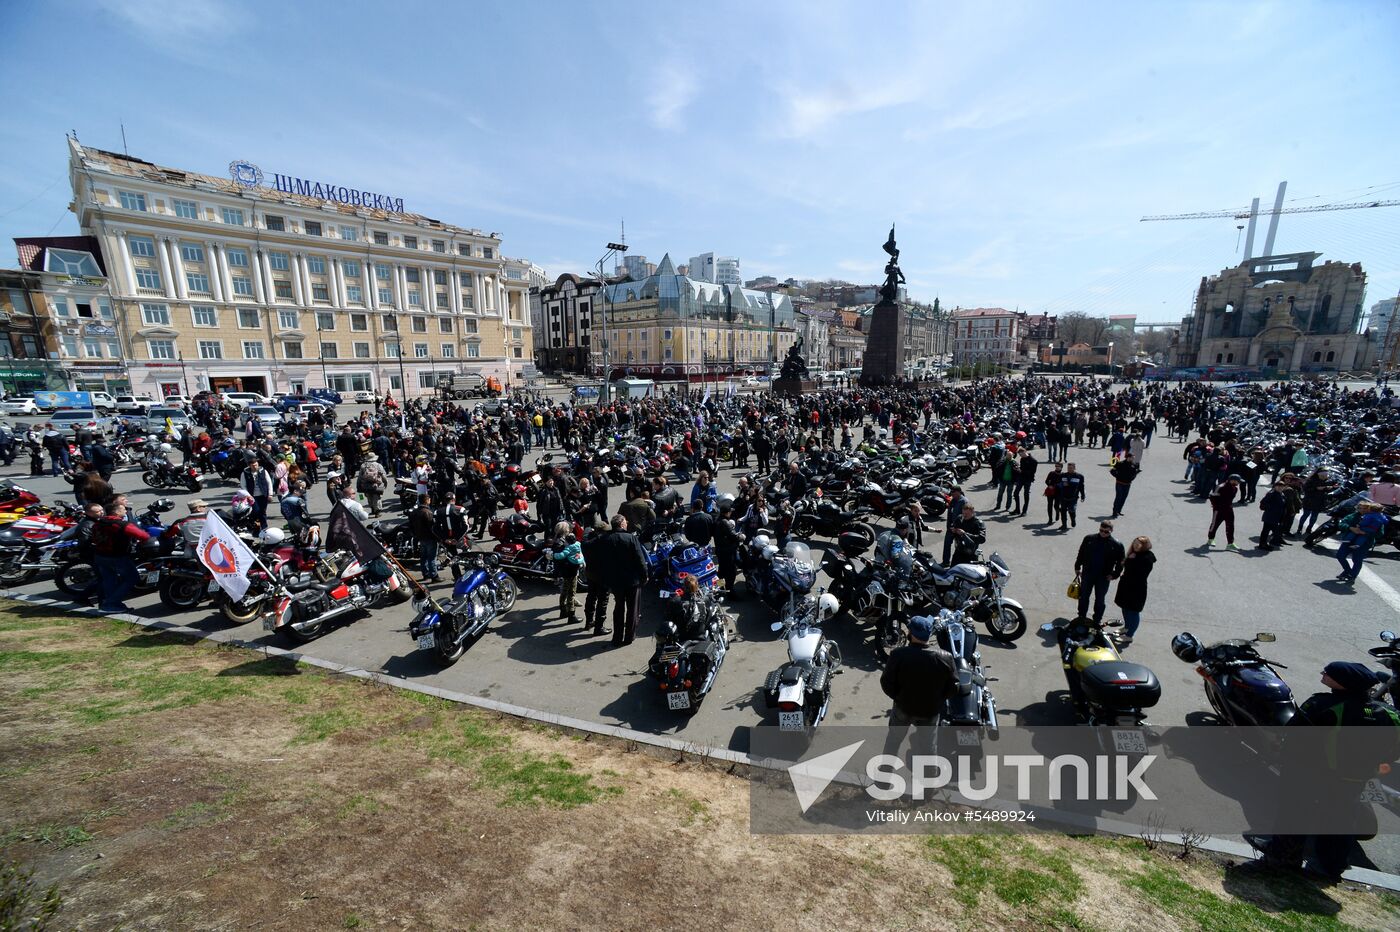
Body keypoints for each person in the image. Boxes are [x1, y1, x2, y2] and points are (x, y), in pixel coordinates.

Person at [1249, 661, 1400, 879]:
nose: (1323, 674)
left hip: (1313, 773)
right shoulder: (1388, 714)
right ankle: (1329, 868)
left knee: (1294, 816)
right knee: (1341, 822)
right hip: (1355, 778)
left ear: (1342, 683)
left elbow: (1294, 734)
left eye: (1328, 673)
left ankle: (1281, 859)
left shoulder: (1323, 704)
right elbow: (1393, 750)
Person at [879, 614, 958, 760]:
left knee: (893, 742)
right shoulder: (945, 657)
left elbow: (886, 682)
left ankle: (883, 781)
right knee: (929, 749)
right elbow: (953, 687)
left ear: (912, 634)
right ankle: (929, 781)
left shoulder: (898, 654)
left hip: (903, 708)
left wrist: (898, 697)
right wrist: (938, 700)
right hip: (930, 711)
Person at [89, 499, 152, 613]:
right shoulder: (122, 525)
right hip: (117, 556)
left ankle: (110, 604)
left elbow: (94, 538)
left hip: (100, 555)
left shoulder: (98, 523)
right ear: (116, 512)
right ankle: (111, 603)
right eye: (124, 509)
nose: (126, 511)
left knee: (109, 579)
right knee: (132, 578)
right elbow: (143, 536)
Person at [594, 514, 648, 646]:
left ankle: (617, 637)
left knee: (619, 608)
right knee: (632, 609)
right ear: (622, 524)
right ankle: (629, 636)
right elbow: (640, 560)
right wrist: (644, 576)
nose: (627, 523)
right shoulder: (630, 538)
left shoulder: (605, 539)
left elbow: (600, 560)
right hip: (632, 581)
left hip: (615, 581)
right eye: (625, 521)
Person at [1074, 520, 1125, 623]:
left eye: (1106, 532)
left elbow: (1121, 562)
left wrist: (1114, 575)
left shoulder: (1117, 545)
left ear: (1111, 531)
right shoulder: (1089, 539)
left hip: (1103, 577)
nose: (1103, 533)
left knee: (1100, 599)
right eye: (1101, 530)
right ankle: (1081, 616)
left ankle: (1097, 620)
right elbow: (1081, 553)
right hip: (1088, 573)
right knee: (1083, 596)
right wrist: (1077, 566)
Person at [1112, 536, 1154, 645]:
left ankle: (1129, 635)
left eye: (1139, 544)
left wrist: (1131, 560)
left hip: (1136, 588)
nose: (1136, 545)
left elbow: (1140, 573)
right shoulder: (1133, 554)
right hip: (1126, 585)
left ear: (1145, 546)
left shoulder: (1147, 557)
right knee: (1125, 608)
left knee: (1133, 611)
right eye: (1135, 543)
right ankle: (1126, 628)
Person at [1335, 501, 1389, 584]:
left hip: (1364, 543)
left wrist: (1366, 533)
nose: (1362, 510)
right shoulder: (1352, 516)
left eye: (1365, 508)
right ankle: (1347, 571)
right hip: (1348, 540)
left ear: (1369, 509)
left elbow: (1380, 534)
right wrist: (1351, 528)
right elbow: (1342, 524)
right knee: (1340, 556)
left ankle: (1352, 576)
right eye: (1360, 508)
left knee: (1357, 560)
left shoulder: (1376, 518)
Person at [550, 520, 583, 623]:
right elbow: (566, 557)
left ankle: (563, 611)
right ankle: (571, 615)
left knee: (564, 592)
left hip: (562, 571)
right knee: (571, 593)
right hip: (569, 571)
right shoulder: (564, 543)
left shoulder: (557, 541)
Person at [580, 520, 610, 636]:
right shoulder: (602, 543)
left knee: (591, 597)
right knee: (603, 600)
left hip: (590, 573)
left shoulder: (586, 541)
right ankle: (599, 627)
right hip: (602, 575)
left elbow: (586, 532)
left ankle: (589, 622)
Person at [410, 494, 440, 583]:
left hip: (420, 537)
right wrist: (438, 537)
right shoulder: (427, 512)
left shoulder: (414, 512)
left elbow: (411, 526)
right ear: (427, 500)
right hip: (430, 538)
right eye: (429, 499)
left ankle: (425, 574)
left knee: (424, 557)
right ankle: (434, 576)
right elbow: (432, 527)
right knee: (432, 557)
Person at [1207, 474, 1241, 550]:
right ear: (1232, 480)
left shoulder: (1235, 489)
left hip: (1229, 509)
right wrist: (1215, 506)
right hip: (1219, 510)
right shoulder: (1221, 487)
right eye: (1237, 481)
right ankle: (1210, 539)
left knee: (1230, 526)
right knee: (1214, 524)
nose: (1238, 483)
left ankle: (1230, 543)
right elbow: (1212, 496)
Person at [241, 459, 273, 532]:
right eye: (253, 465)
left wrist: (270, 494)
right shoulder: (245, 473)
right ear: (249, 466)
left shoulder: (263, 471)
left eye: (256, 465)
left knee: (263, 511)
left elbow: (269, 482)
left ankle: (264, 527)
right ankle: (253, 524)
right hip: (252, 496)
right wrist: (248, 495)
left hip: (263, 495)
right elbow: (243, 485)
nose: (255, 466)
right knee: (256, 511)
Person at [1257, 482, 1288, 551]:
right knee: (1266, 530)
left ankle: (1265, 543)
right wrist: (1271, 508)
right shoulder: (1272, 494)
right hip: (1270, 515)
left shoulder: (1281, 494)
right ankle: (1263, 544)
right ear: (1275, 487)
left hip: (1276, 516)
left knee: (1268, 530)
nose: (1280, 488)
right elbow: (1263, 503)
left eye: (1282, 486)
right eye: (1278, 486)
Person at [356, 452, 389, 517]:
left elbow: (360, 477)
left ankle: (372, 509)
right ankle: (377, 512)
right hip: (376, 484)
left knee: (369, 496)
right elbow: (383, 475)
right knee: (376, 498)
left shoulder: (363, 465)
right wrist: (385, 483)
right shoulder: (378, 465)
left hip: (366, 484)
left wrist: (358, 485)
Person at [1108, 453, 1140, 519]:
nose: (1133, 459)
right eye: (1132, 457)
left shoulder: (1133, 465)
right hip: (1119, 483)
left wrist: (1136, 474)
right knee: (1118, 497)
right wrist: (1117, 476)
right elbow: (1112, 471)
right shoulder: (1120, 463)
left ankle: (1119, 511)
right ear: (1128, 457)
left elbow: (1134, 474)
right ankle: (1115, 511)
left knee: (1123, 498)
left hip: (1128, 484)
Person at [1057, 462, 1086, 530]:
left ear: (1074, 468)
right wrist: (1062, 485)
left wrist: (1083, 495)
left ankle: (1073, 520)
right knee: (1063, 511)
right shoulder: (1063, 475)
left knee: (1071, 511)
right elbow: (1058, 484)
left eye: (1071, 468)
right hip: (1063, 497)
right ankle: (1064, 525)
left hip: (1073, 498)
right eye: (1068, 468)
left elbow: (1081, 487)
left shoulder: (1079, 476)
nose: (1069, 469)